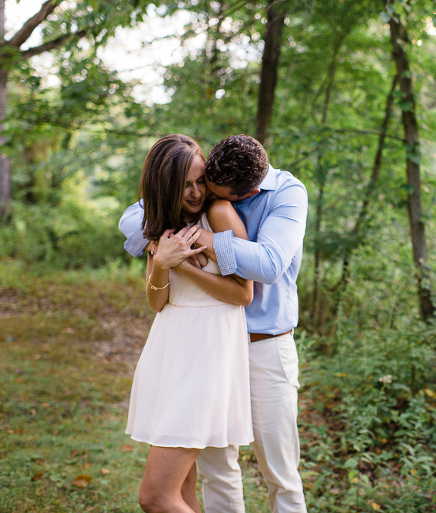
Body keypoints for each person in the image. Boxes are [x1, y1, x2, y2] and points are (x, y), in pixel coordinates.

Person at [119, 134, 309, 513]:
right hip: (204, 349)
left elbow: (268, 267)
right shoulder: (199, 192)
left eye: (203, 185)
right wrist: (160, 250)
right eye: (199, 183)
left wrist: (199, 243)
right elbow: (132, 219)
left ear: (248, 189)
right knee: (217, 470)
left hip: (263, 342)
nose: (200, 193)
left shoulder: (283, 194)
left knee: (280, 472)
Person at [124, 134, 255, 513]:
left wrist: (181, 263)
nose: (197, 192)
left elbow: (243, 293)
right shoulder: (160, 225)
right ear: (165, 185)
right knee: (182, 490)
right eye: (185, 185)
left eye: (200, 180)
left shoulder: (219, 215)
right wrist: (162, 260)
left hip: (207, 352)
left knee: (155, 497)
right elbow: (157, 301)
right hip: (170, 349)